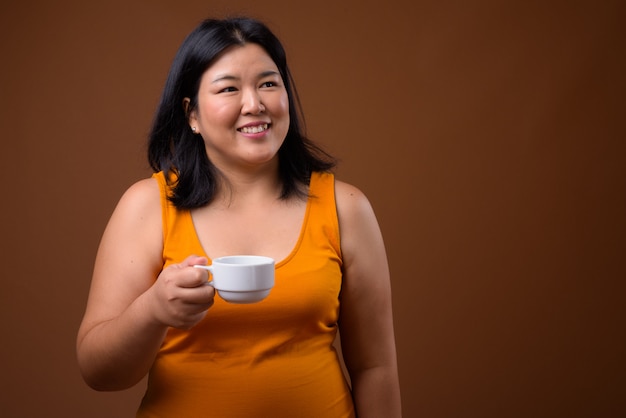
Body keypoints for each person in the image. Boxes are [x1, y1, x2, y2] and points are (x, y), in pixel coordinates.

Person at [76, 17, 401, 418]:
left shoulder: (346, 207)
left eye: (268, 83)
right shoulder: (146, 206)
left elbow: (375, 368)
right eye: (229, 88)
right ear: (191, 113)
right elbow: (98, 371)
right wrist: (153, 310)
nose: (254, 104)